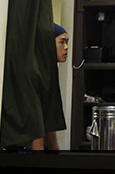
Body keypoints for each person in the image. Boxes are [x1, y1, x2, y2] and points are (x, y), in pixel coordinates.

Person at [31, 23, 69, 151]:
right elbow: (36, 127)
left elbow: (49, 123)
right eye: (62, 42)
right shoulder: (36, 74)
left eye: (67, 42)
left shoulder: (49, 71)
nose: (66, 47)